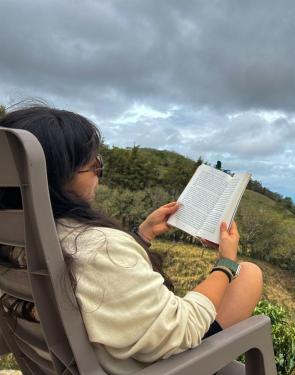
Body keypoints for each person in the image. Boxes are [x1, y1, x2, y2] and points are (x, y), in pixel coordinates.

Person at [0, 105, 263, 374]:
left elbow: (98, 282)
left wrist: (143, 234)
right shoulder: (97, 246)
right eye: (95, 166)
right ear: (58, 177)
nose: (99, 175)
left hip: (82, 361)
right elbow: (183, 329)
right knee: (249, 274)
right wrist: (225, 263)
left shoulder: (16, 238)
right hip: (151, 365)